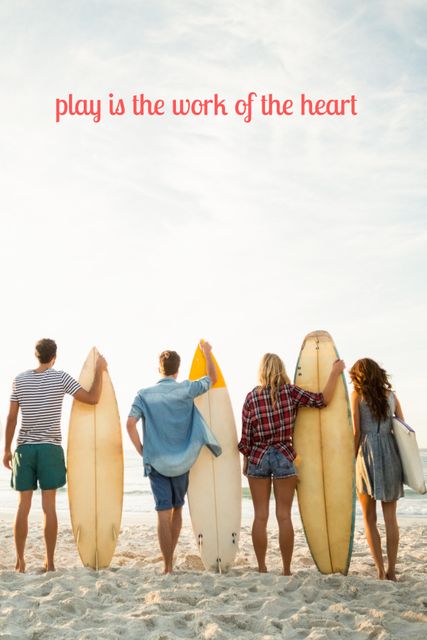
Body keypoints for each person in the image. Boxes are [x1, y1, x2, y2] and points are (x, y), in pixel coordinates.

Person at [2, 338, 107, 573]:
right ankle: (50, 562)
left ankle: (20, 562)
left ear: (36, 355)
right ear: (54, 357)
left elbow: (11, 418)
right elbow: (92, 398)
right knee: (49, 508)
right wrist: (99, 371)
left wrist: (6, 449)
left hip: (24, 449)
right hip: (50, 449)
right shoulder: (61, 378)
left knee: (23, 507)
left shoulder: (19, 380)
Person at [238, 352, 345, 575]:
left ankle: (262, 568)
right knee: (284, 516)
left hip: (258, 456)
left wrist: (246, 460)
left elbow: (246, 437)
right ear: (281, 369)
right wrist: (334, 372)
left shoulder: (251, 398)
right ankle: (286, 570)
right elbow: (321, 400)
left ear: (262, 371)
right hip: (284, 454)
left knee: (260, 516)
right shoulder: (291, 392)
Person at [126, 341, 222, 574]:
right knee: (177, 509)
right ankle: (171, 558)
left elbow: (130, 424)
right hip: (182, 461)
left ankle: (167, 565)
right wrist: (208, 353)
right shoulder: (186, 389)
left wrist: (141, 449)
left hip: (156, 461)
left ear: (159, 369)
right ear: (177, 370)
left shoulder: (144, 395)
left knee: (162, 513)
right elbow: (213, 378)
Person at [349, 358, 404, 581]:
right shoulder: (391, 396)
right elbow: (402, 427)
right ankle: (392, 571)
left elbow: (356, 432)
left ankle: (380, 570)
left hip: (367, 454)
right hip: (390, 452)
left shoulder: (357, 397)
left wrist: (351, 461)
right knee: (391, 518)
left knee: (369, 517)